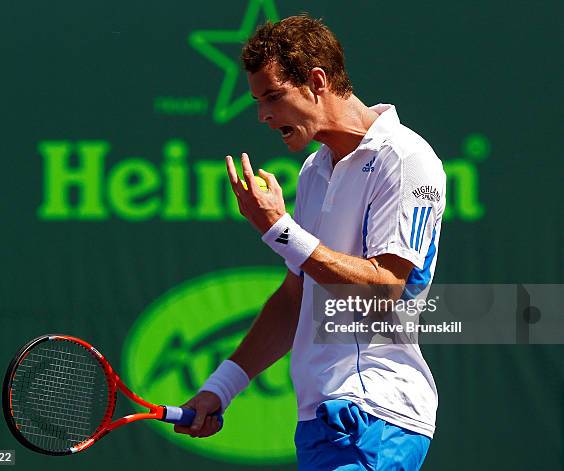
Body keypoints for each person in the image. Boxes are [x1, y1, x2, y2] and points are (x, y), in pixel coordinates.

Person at [174, 14, 446, 471]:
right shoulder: (315, 170)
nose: (262, 116)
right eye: (258, 102)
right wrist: (220, 388)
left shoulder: (404, 159)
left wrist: (281, 230)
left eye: (272, 97)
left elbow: (385, 287)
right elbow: (296, 297)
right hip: (321, 420)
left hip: (372, 413)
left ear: (317, 81)